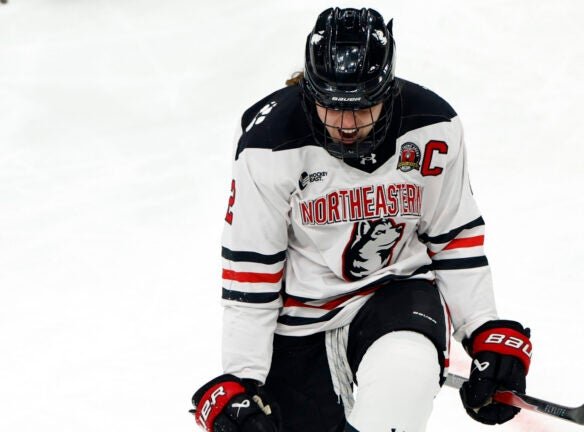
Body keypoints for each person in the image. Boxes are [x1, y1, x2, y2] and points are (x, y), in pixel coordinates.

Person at [191, 7, 532, 432]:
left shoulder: (432, 127)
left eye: (363, 106)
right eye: (332, 107)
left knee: (404, 377)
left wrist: (483, 327)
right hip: (299, 328)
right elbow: (252, 273)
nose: (347, 124)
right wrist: (243, 379)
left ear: (387, 89)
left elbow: (454, 237)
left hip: (396, 298)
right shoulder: (269, 145)